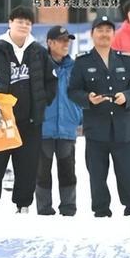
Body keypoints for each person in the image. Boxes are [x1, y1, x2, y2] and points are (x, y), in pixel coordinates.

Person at [0, 6, 57, 215]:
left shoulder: (39, 51)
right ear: (10, 23)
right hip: (1, 120)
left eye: (28, 22)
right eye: (20, 21)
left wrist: (41, 105)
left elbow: (51, 82)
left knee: (27, 164)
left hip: (30, 120)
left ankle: (23, 204)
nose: (24, 25)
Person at [68, 16, 130, 217]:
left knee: (128, 172)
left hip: (124, 128)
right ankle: (101, 210)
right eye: (100, 30)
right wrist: (88, 98)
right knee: (97, 174)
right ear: (92, 34)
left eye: (108, 30)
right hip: (96, 129)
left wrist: (127, 97)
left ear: (114, 34)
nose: (104, 34)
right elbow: (73, 91)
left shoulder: (126, 59)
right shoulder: (82, 62)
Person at [36, 26, 82, 216]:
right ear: (49, 42)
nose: (66, 44)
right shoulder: (39, 66)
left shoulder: (75, 67)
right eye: (61, 40)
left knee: (68, 169)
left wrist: (78, 116)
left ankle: (69, 208)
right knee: (42, 171)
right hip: (44, 127)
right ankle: (44, 209)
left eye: (67, 40)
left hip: (67, 127)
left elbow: (81, 94)